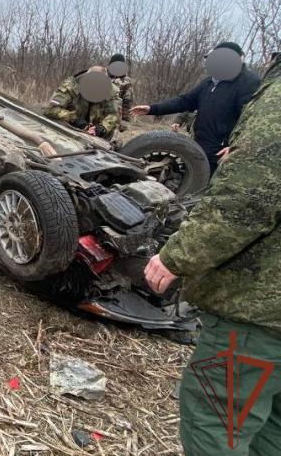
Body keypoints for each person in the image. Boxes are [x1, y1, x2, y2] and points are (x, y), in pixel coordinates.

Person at [143, 51, 281, 455]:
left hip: (259, 315)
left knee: (219, 420)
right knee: (271, 423)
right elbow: (185, 101)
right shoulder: (212, 85)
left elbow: (248, 199)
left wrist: (177, 257)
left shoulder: (260, 91)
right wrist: (152, 109)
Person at [130, 41, 261, 175]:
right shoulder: (211, 81)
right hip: (199, 145)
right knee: (192, 183)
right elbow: (186, 101)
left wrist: (235, 147)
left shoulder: (249, 83)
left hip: (223, 152)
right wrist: (153, 109)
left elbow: (252, 119)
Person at [44, 66, 120, 139]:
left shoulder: (111, 91)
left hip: (96, 134)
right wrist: (74, 119)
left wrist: (101, 128)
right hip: (69, 127)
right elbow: (51, 109)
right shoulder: (71, 86)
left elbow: (114, 115)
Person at [107, 53, 133, 123]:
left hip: (114, 117)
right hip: (96, 114)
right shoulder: (102, 75)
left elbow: (127, 102)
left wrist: (125, 121)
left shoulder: (126, 81)